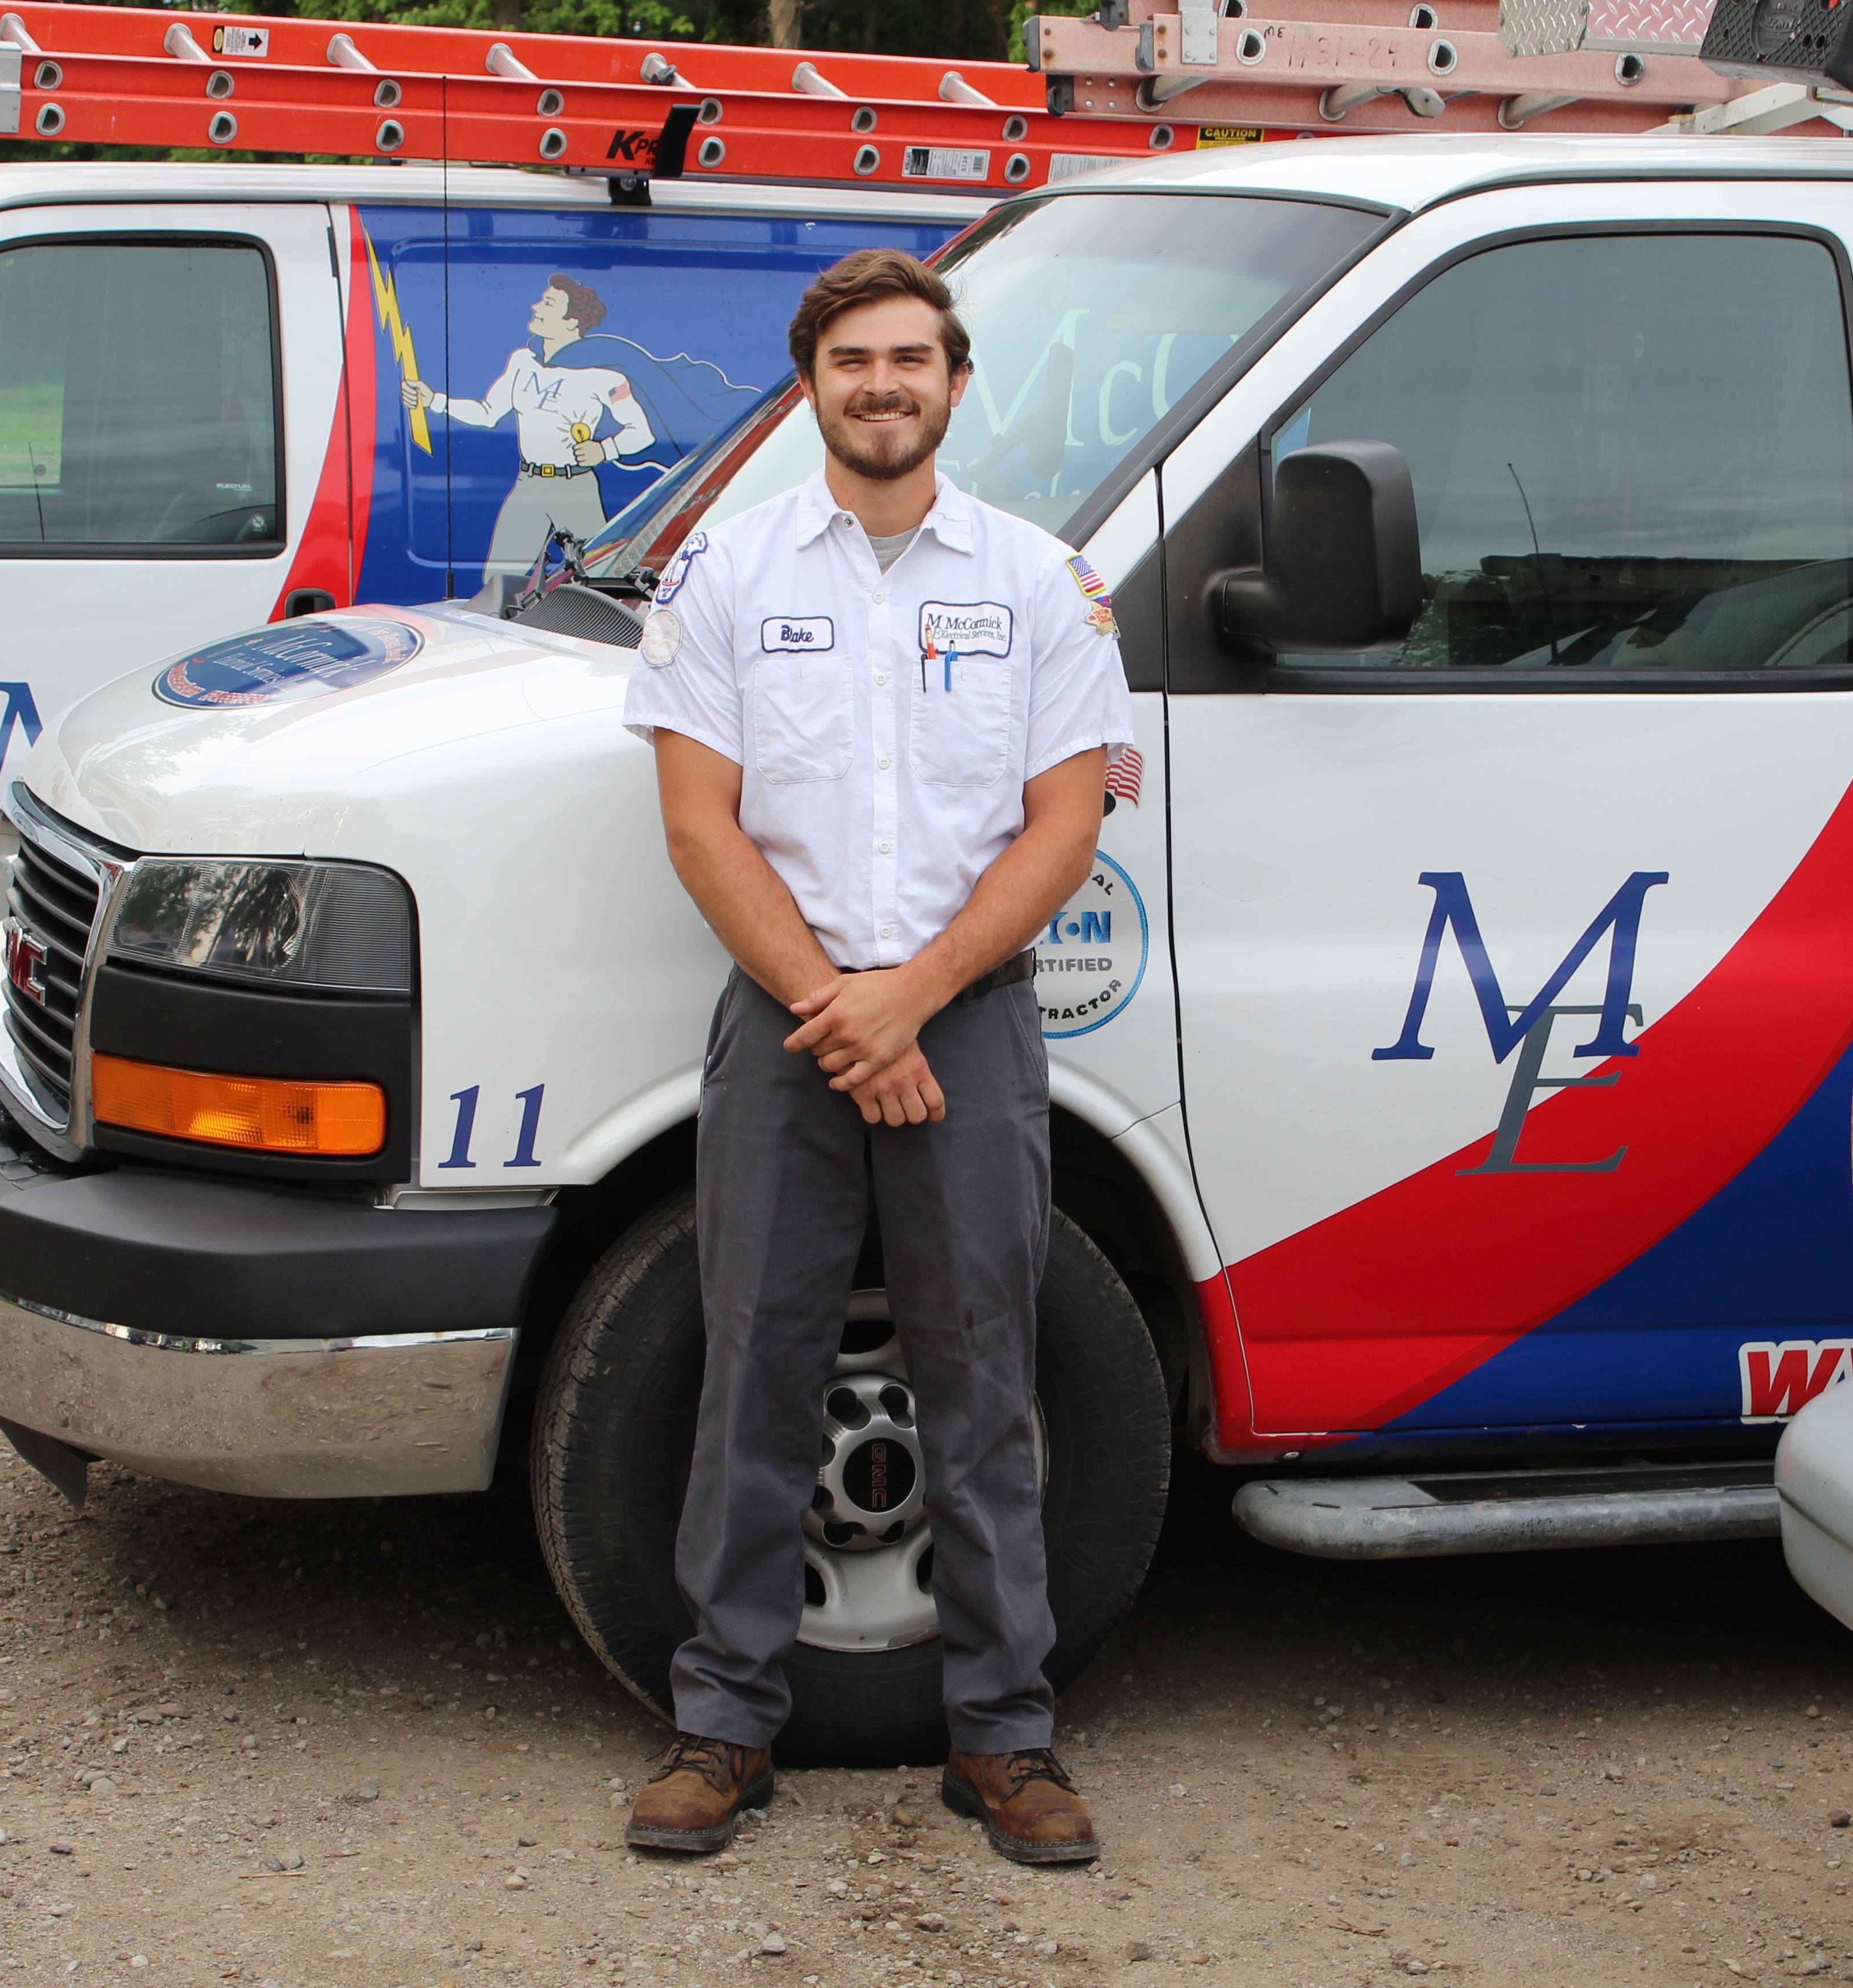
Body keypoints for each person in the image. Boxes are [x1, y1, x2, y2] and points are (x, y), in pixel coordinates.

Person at [617, 249, 1131, 1866]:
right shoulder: (726, 575)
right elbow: (699, 824)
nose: (885, 384)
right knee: (755, 1372)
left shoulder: (1044, 584)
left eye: (913, 358)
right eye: (854, 361)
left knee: (984, 1383)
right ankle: (722, 1726)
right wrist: (844, 1011)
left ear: (957, 383)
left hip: (964, 1024)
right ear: (813, 384)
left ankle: (1007, 1739)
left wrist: (912, 1000)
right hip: (788, 1025)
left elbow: (1065, 828)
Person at [404, 275, 656, 574]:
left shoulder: (603, 374)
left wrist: (605, 450)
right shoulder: (522, 361)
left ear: (572, 322)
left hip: (575, 488)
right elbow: (488, 413)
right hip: (529, 487)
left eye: (548, 303)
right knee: (497, 584)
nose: (535, 307)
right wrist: (434, 401)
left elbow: (642, 433)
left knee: (598, 578)